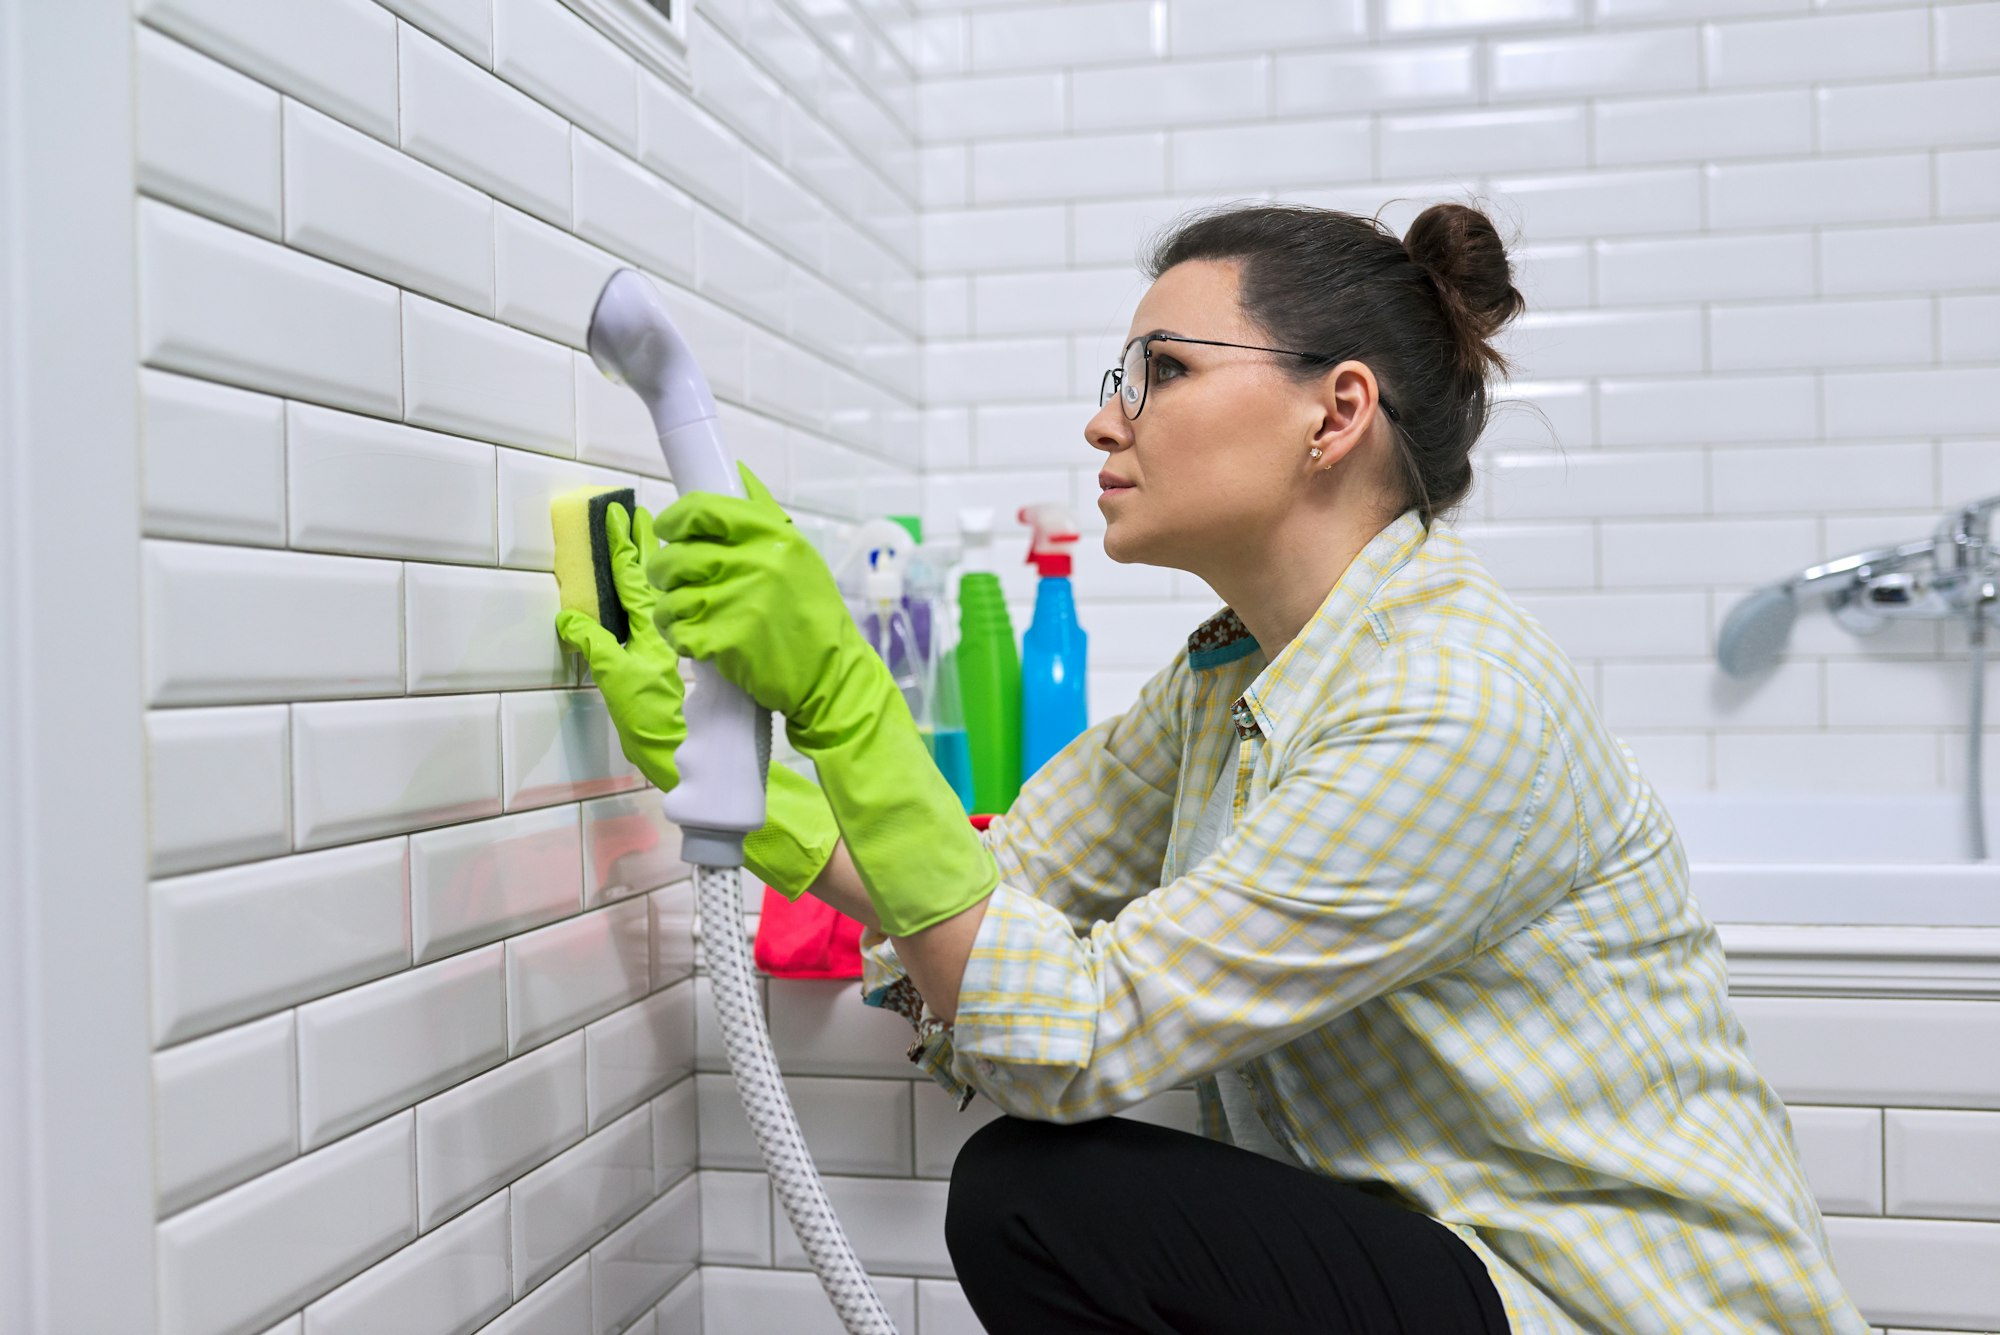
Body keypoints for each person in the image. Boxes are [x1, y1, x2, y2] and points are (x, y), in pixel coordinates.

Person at [559, 200, 1869, 1333]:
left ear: (1334, 410)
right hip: (1461, 1275)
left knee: (1047, 1198)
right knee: (1042, 1194)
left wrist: (845, 693)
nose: (1101, 422)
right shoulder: (1234, 673)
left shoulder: (1449, 702)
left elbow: (1066, 1036)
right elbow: (991, 885)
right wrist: (759, 798)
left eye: (1161, 370)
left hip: (1600, 1308)